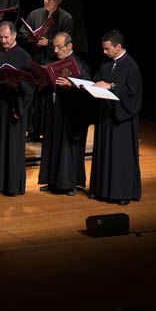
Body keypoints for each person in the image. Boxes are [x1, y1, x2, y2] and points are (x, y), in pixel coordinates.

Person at [0, 21, 35, 196]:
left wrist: (17, 86)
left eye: (6, 37)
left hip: (14, 105)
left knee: (12, 145)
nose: (3, 40)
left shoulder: (24, 57)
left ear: (14, 35)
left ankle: (11, 186)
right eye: (0, 37)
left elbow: (31, 86)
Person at [89, 30, 142, 206]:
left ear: (118, 47)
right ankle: (101, 189)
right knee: (104, 152)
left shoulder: (131, 66)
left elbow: (132, 94)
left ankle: (122, 192)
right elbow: (98, 79)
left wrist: (111, 86)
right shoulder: (107, 64)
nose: (104, 52)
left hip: (122, 121)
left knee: (121, 157)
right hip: (107, 117)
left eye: (107, 49)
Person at [38, 32, 92, 196]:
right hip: (54, 111)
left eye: (59, 46)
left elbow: (88, 88)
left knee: (68, 147)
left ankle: (70, 183)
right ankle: (52, 180)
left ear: (69, 46)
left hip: (71, 113)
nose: (55, 50)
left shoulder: (80, 65)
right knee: (52, 144)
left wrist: (72, 85)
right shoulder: (52, 62)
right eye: (54, 46)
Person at [21, 0, 74, 141]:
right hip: (35, 59)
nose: (47, 1)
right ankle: (32, 131)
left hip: (53, 61)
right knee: (33, 96)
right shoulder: (35, 14)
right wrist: (30, 38)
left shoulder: (66, 18)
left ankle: (46, 131)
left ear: (59, 1)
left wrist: (49, 42)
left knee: (47, 98)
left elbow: (67, 40)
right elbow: (22, 34)